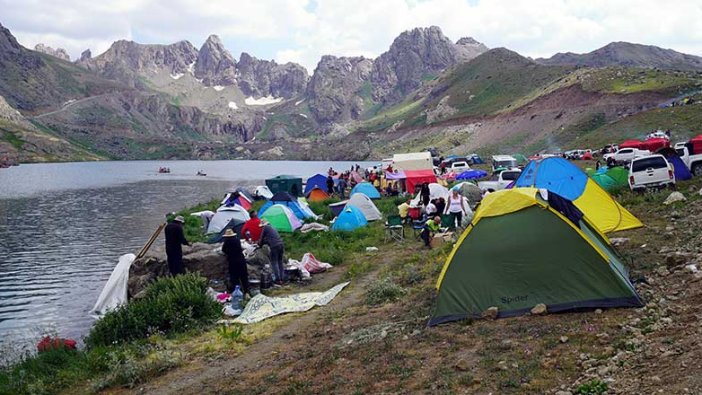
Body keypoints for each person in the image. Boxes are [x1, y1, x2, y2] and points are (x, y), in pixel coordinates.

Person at [222, 229, 249, 295]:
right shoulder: (237, 240)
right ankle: (246, 292)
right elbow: (240, 248)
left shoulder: (227, 242)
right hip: (241, 260)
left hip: (233, 261)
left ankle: (236, 292)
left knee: (234, 277)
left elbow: (223, 250)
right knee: (244, 277)